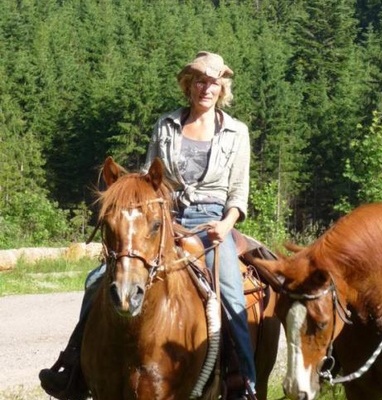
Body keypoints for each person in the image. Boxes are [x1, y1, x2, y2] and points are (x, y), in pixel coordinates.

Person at [39, 51, 256, 400]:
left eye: (214, 82)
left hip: (211, 223)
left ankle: (243, 381)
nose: (206, 88)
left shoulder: (236, 132)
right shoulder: (166, 125)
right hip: (163, 220)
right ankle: (73, 368)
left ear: (222, 89)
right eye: (200, 80)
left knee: (230, 291)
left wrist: (227, 225)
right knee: (96, 281)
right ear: (188, 85)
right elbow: (148, 179)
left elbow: (238, 192)